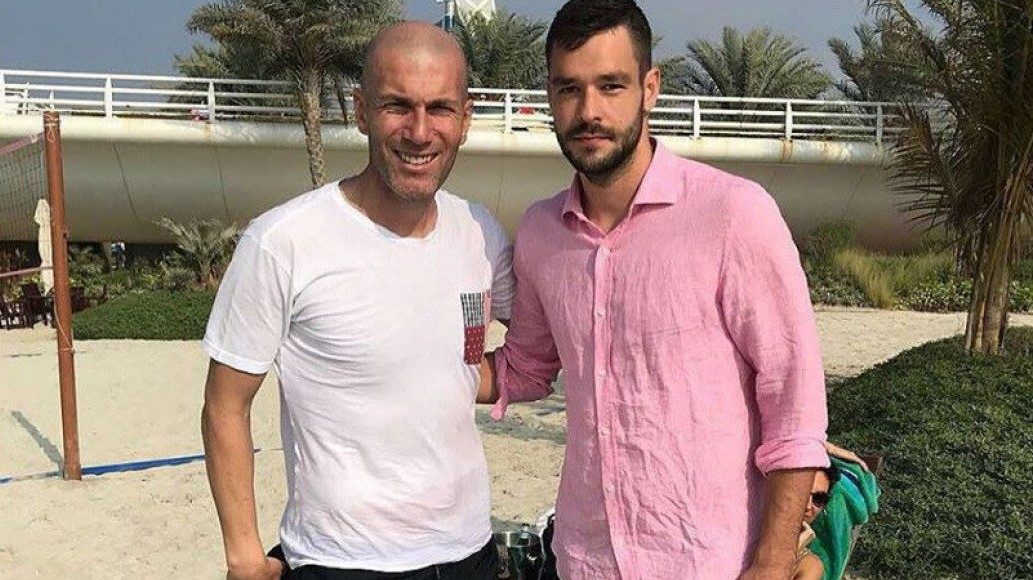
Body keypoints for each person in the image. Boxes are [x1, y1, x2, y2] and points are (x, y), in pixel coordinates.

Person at [478, 1, 831, 578]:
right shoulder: (541, 232)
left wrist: (771, 561)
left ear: (650, 88)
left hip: (710, 561)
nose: (588, 111)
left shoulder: (732, 213)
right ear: (549, 96)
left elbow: (794, 402)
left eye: (610, 86)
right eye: (569, 89)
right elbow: (526, 367)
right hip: (586, 560)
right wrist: (418, 364)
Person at [202, 22, 513, 580]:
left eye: (440, 108)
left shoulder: (479, 232)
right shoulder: (283, 241)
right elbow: (225, 405)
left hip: (469, 552)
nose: (420, 131)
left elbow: (528, 347)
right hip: (340, 560)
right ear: (361, 110)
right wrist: (243, 554)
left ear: (465, 119)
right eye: (398, 106)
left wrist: (470, 374)